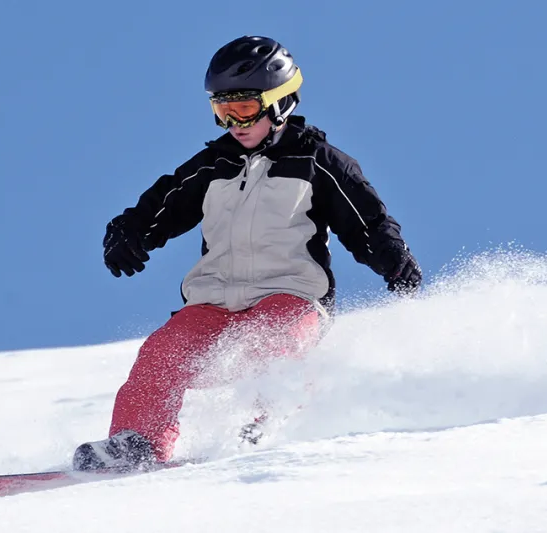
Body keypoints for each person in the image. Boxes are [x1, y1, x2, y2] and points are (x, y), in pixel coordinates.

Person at [72, 35, 422, 472]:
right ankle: (138, 442)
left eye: (243, 109)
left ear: (280, 103)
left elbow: (367, 221)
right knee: (162, 355)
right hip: (214, 299)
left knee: (272, 345)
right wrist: (127, 233)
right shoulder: (212, 165)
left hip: (291, 294)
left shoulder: (318, 161)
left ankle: (263, 429)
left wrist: (391, 258)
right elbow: (160, 206)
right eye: (222, 111)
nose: (234, 123)